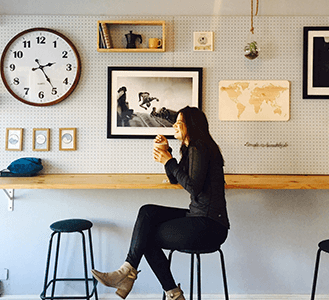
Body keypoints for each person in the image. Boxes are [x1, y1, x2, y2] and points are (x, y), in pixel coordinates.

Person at [91, 106, 230, 300]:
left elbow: (193, 187)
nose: (174, 126)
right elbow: (176, 179)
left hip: (209, 226)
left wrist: (169, 160)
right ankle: (128, 272)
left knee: (145, 236)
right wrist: (167, 153)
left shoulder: (200, 148)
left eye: (179, 123)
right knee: (147, 212)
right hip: (199, 216)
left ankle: (135, 278)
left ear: (191, 126)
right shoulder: (192, 149)